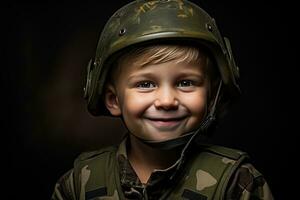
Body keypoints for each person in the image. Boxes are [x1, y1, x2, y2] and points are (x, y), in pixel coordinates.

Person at [51, 0, 274, 199]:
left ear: (212, 95)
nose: (167, 101)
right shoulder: (81, 182)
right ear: (113, 100)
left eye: (186, 83)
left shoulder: (236, 183)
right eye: (145, 84)